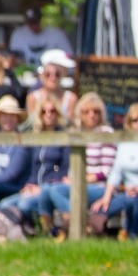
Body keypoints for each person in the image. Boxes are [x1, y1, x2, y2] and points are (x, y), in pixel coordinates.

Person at [27, 92, 115, 237]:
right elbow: (70, 165)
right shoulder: (76, 134)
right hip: (77, 182)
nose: (91, 115)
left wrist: (82, 179)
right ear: (80, 114)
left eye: (96, 111)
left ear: (102, 114)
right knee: (46, 190)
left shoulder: (106, 134)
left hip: (99, 187)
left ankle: (75, 227)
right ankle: (49, 233)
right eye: (87, 112)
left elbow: (106, 171)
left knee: (56, 190)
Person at [0, 98, 70, 239]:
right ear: (39, 115)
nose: (48, 114)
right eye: (44, 111)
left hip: (50, 188)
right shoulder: (35, 138)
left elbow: (61, 169)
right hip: (35, 187)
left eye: (52, 111)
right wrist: (29, 184)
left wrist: (44, 186)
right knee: (4, 204)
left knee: (25, 205)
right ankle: (22, 231)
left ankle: (51, 232)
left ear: (58, 114)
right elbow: (33, 168)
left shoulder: (63, 138)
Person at [91, 104, 138, 240]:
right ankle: (98, 234)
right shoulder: (125, 145)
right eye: (135, 120)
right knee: (99, 209)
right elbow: (116, 173)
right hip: (128, 191)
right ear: (129, 123)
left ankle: (133, 236)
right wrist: (106, 197)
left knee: (135, 200)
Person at [8, 3, 73, 67]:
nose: (34, 26)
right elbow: (13, 59)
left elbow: (69, 58)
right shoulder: (18, 34)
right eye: (30, 23)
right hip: (26, 75)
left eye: (36, 22)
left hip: (52, 75)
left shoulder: (57, 33)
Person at [25, 48, 78, 122]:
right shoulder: (32, 98)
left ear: (63, 74)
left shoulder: (71, 98)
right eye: (48, 74)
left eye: (57, 74)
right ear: (42, 74)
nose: (52, 78)